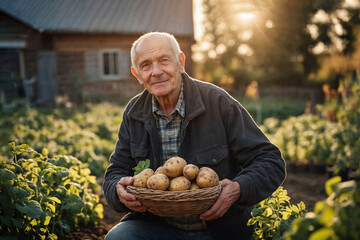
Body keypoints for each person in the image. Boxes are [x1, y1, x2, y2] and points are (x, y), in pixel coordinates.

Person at [103, 32, 286, 240]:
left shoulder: (219, 103)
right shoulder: (134, 112)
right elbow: (115, 171)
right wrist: (118, 190)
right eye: (146, 65)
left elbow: (271, 161)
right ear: (137, 74)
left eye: (164, 60)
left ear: (180, 62)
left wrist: (238, 188)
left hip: (219, 229)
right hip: (157, 227)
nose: (156, 71)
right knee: (119, 237)